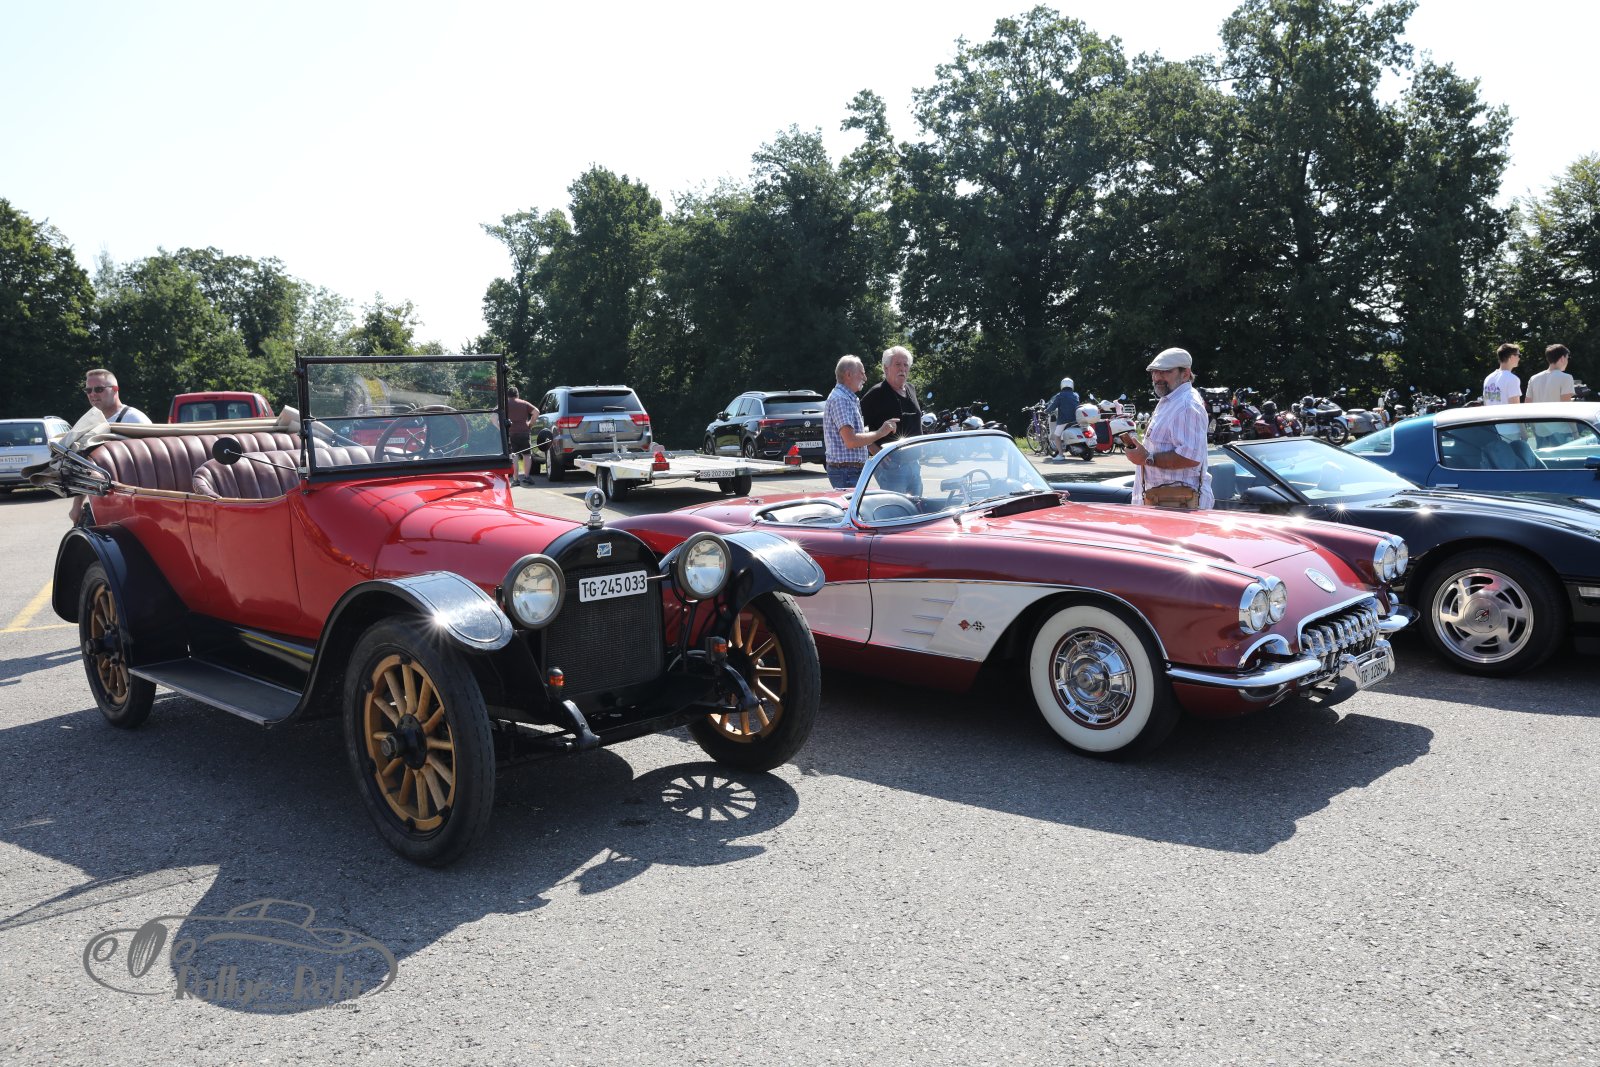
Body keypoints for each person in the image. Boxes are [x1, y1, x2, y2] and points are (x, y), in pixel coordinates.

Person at [1123, 347, 1212, 510]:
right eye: (1154, 372)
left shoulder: (1186, 406)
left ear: (1185, 374)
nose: (1157, 377)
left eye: (1165, 372)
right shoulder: (1171, 400)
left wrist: (1147, 458)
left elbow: (1190, 457)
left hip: (1179, 506)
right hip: (1167, 503)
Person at [69, 368, 151, 524]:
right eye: (88, 390)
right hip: (100, 503)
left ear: (115, 389)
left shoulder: (135, 420)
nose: (93, 394)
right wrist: (76, 506)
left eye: (99, 389)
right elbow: (85, 465)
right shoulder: (90, 422)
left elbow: (151, 465)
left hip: (134, 505)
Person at [823, 355, 897, 489]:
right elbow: (851, 441)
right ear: (848, 375)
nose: (865, 378)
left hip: (848, 470)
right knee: (855, 504)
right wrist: (881, 432)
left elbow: (854, 436)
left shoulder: (848, 398)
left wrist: (875, 448)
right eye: (862, 373)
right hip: (846, 471)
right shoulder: (841, 399)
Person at [860, 346, 922, 451]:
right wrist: (878, 453)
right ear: (886, 368)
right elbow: (856, 428)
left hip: (915, 459)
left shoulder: (911, 389)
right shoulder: (876, 393)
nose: (902, 368)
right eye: (898, 364)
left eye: (906, 365)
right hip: (889, 460)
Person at [506, 386, 539, 485]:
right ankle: (527, 476)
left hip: (511, 433)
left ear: (508, 395)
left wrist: (501, 428)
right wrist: (530, 424)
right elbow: (536, 412)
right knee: (527, 455)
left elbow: (493, 416)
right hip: (524, 432)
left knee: (514, 455)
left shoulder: (505, 404)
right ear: (517, 394)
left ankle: (516, 479)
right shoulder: (524, 403)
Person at [1046, 377, 1079, 461]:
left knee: (1056, 436)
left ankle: (1061, 455)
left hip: (1064, 420)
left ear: (1062, 385)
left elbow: (1053, 407)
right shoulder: (1076, 395)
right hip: (1076, 419)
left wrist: (1046, 411)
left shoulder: (1060, 396)